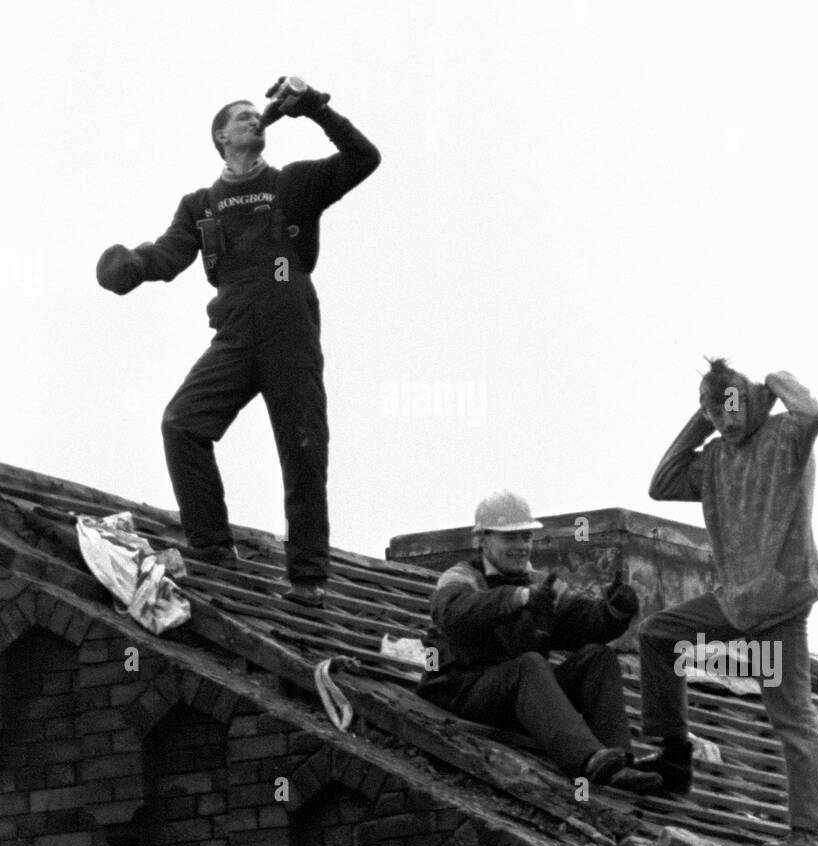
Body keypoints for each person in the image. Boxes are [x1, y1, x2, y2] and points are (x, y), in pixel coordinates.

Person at [96, 77, 381, 607]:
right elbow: (166, 256)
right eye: (241, 116)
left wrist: (316, 109)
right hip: (235, 332)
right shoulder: (201, 206)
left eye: (258, 114)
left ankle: (308, 579)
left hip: (289, 325)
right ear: (221, 137)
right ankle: (211, 550)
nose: (255, 119)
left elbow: (364, 157)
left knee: (302, 448)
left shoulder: (294, 184)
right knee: (181, 424)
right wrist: (132, 264)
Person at [637, 360, 818, 846]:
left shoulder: (786, 437)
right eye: (713, 414)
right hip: (735, 603)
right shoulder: (717, 459)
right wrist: (703, 418)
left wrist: (776, 381)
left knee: (791, 715)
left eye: (729, 410)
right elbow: (662, 483)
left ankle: (808, 836)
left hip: (781, 606)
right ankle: (674, 755)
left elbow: (815, 412)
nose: (725, 423)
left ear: (747, 400)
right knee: (660, 635)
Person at [420, 491, 662, 794]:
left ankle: (619, 764)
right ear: (482, 540)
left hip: (521, 701)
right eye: (510, 538)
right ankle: (587, 760)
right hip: (462, 690)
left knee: (597, 658)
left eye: (525, 537)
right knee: (529, 665)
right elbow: (454, 613)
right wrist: (517, 599)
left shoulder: (539, 583)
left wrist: (613, 612)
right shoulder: (460, 577)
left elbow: (583, 623)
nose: (521, 547)